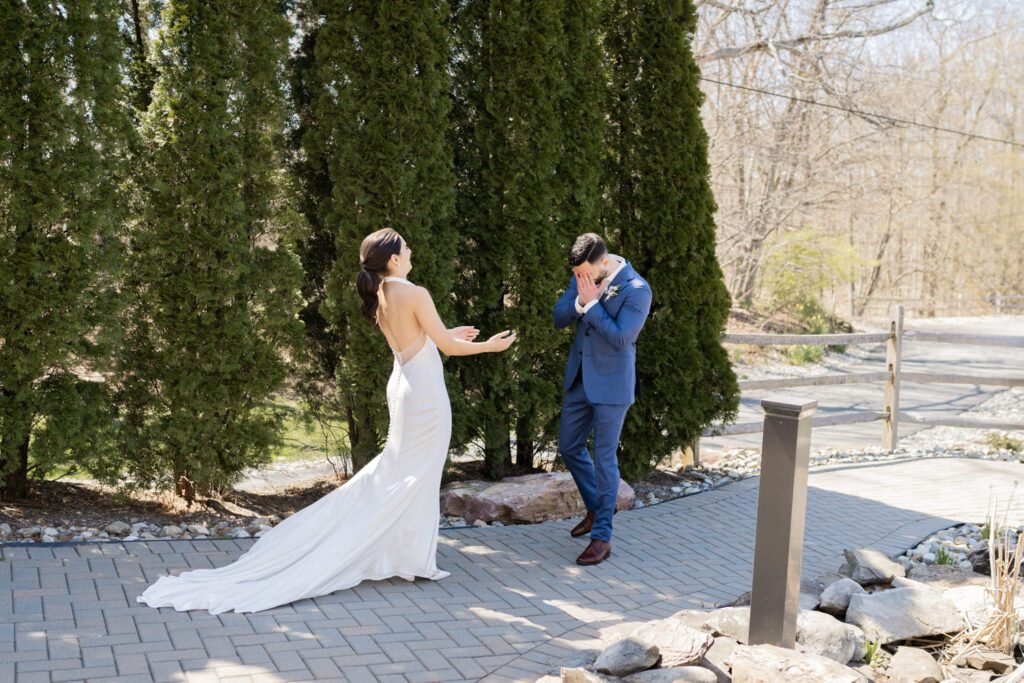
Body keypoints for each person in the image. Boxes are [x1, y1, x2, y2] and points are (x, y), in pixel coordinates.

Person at [136, 228, 516, 614]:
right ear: (394, 259)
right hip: (423, 394)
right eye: (406, 246)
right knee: (415, 472)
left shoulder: (382, 293)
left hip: (405, 383)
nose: (411, 249)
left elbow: (419, 339)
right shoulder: (413, 292)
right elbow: (447, 348)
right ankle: (403, 556)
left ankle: (404, 555)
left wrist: (449, 334)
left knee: (400, 471)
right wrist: (489, 345)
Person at [553, 233, 652, 566]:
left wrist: (593, 305)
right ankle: (596, 508)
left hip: (612, 386)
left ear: (604, 263)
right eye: (577, 274)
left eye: (585, 273)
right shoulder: (582, 275)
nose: (581, 279)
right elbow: (559, 316)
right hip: (580, 379)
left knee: (605, 458)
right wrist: (580, 302)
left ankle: (602, 537)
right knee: (568, 446)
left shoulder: (637, 289)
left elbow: (622, 338)